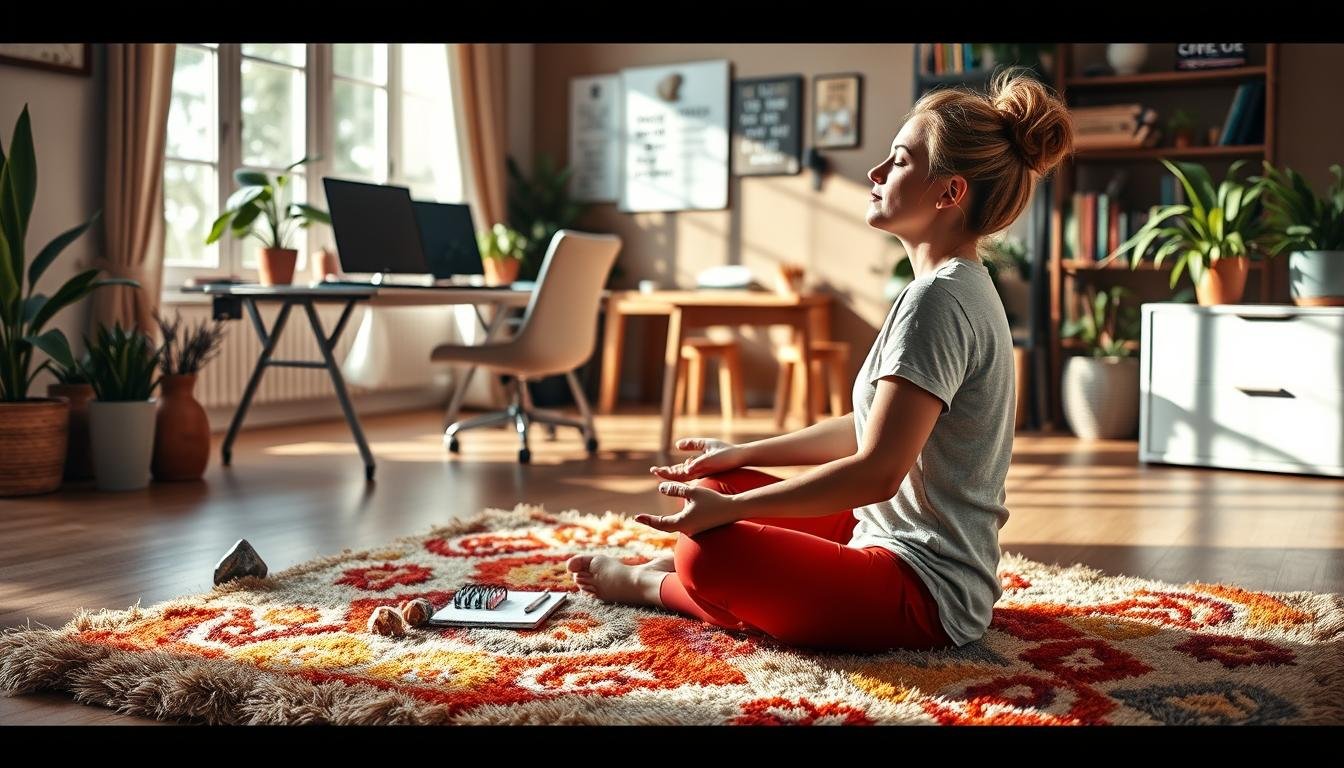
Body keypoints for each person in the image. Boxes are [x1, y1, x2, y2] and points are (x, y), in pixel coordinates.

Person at [567, 68, 1074, 652]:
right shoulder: (955, 286)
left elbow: (877, 471)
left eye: (900, 161)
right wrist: (744, 453)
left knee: (708, 551)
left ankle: (650, 585)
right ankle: (702, 556)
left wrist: (730, 512)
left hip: (926, 590)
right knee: (722, 482)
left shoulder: (939, 301)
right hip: (878, 535)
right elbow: (872, 428)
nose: (875, 174)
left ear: (949, 192)